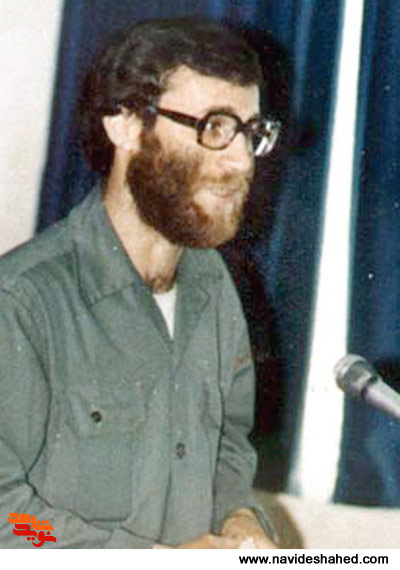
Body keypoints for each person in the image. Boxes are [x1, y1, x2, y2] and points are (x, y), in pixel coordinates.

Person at [0, 19, 281, 548]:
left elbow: (228, 445)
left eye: (251, 132)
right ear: (126, 127)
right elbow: (7, 522)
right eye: (215, 127)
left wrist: (238, 518)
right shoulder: (21, 304)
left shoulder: (216, 288)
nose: (242, 158)